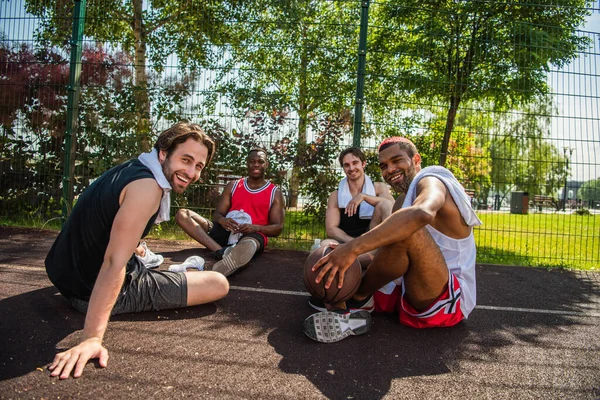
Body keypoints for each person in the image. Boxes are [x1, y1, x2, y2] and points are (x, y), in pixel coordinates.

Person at [44, 122, 230, 378]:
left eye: (198, 166)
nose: (191, 172)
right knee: (217, 282)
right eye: (186, 160)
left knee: (137, 251)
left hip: (63, 272)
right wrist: (91, 338)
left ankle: (144, 257)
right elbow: (113, 263)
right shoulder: (148, 189)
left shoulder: (134, 168)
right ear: (164, 153)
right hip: (86, 291)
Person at [303, 137, 482, 343]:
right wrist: (343, 260)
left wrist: (351, 248)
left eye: (397, 161)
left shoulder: (432, 179)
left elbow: (422, 213)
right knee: (337, 263)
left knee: (406, 228)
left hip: (449, 300)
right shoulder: (400, 202)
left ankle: (357, 299)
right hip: (411, 289)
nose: (390, 169)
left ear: (416, 159)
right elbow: (385, 252)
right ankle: (350, 307)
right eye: (384, 166)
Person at [175, 148, 285, 277]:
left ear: (266, 164)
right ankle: (223, 252)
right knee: (182, 214)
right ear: (247, 163)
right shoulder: (233, 185)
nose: (256, 164)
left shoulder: (274, 193)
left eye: (260, 161)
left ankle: (235, 255)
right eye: (252, 161)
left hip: (251, 235)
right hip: (226, 231)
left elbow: (278, 228)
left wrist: (255, 227)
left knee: (250, 243)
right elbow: (217, 215)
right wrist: (223, 220)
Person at [321, 147, 394, 266]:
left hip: (371, 240)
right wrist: (355, 243)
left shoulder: (378, 188)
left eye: (355, 163)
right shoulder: (336, 195)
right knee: (324, 246)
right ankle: (365, 258)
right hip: (346, 242)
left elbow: (392, 206)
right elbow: (331, 229)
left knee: (385, 203)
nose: (351, 168)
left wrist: (364, 196)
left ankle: (383, 253)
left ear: (363, 163)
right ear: (343, 168)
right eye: (346, 165)